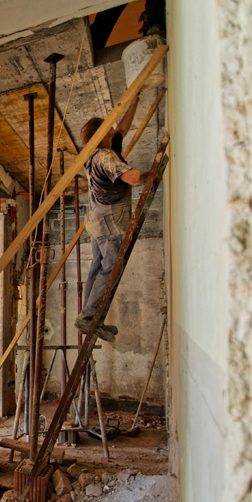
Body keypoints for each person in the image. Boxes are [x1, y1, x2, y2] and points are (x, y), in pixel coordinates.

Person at [75, 95, 151, 342]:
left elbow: (122, 128)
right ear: (101, 135)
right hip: (108, 220)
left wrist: (134, 100)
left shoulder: (103, 150)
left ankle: (88, 318)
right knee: (110, 269)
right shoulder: (105, 157)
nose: (112, 128)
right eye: (108, 127)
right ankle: (88, 319)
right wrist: (154, 172)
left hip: (97, 218)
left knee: (97, 268)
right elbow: (133, 178)